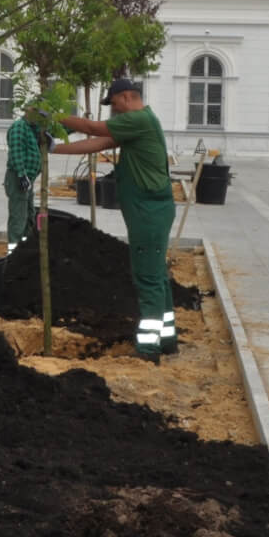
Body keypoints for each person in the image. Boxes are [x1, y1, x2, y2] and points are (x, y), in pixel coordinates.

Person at [50, 77, 177, 361]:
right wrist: (54, 148)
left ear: (128, 96)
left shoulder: (139, 119)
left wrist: (54, 116)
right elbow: (97, 143)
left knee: (148, 278)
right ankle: (167, 339)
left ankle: (148, 348)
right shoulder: (138, 124)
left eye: (115, 103)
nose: (114, 109)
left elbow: (94, 128)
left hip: (149, 213)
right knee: (156, 275)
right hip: (150, 211)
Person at [3, 107, 51, 250]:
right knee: (19, 218)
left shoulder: (32, 128)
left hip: (27, 179)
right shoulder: (19, 127)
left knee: (30, 215)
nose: (41, 120)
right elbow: (16, 152)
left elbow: (51, 134)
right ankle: (13, 252)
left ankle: (24, 248)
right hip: (18, 178)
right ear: (30, 112)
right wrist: (21, 175)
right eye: (39, 116)